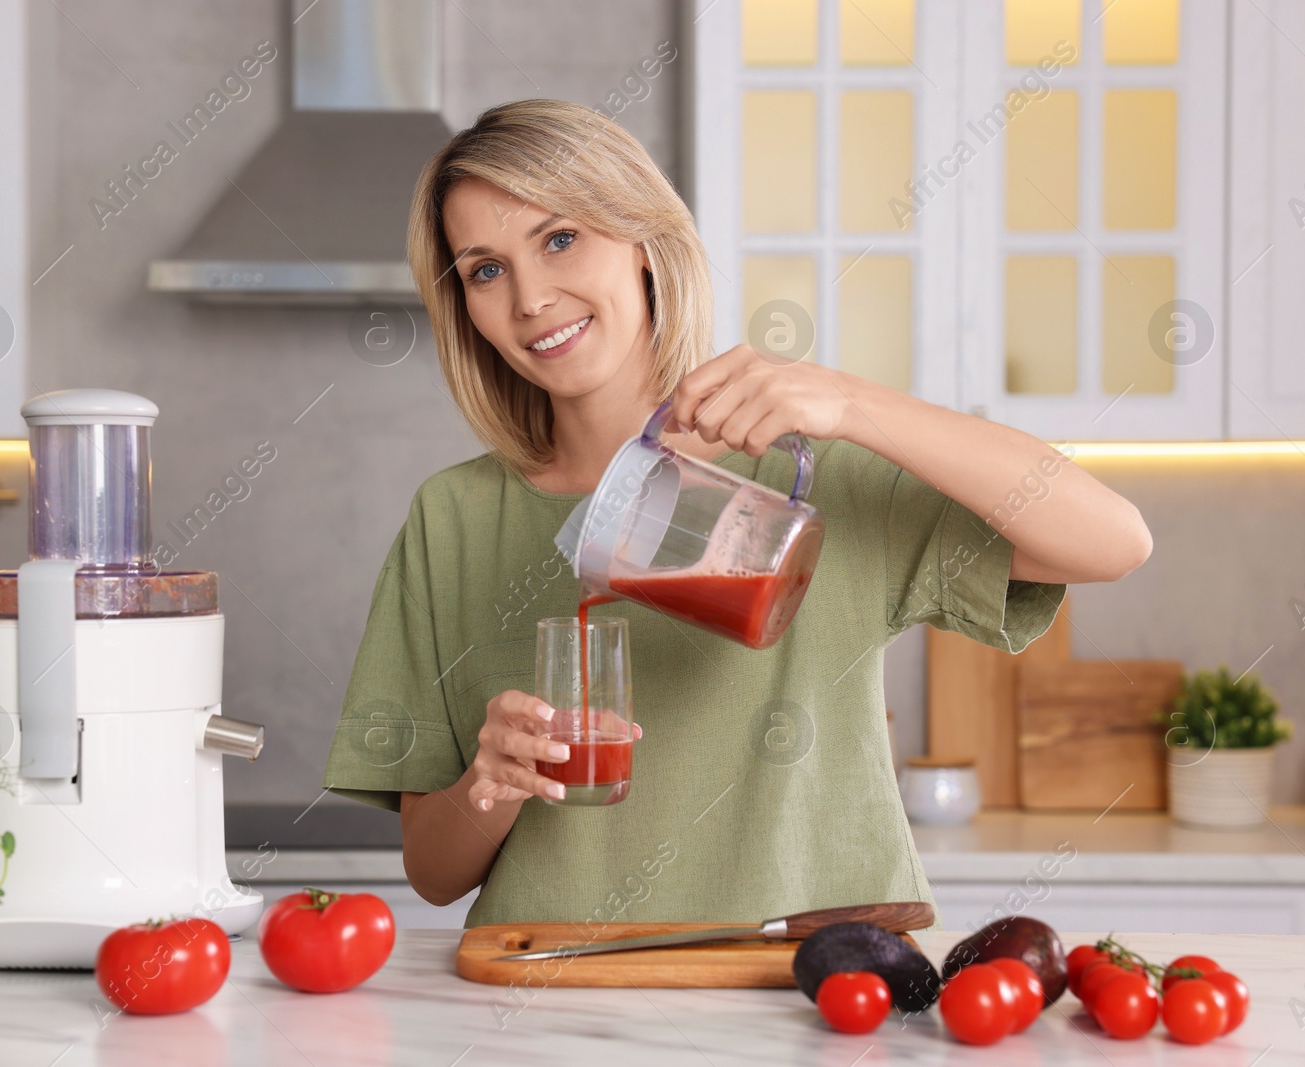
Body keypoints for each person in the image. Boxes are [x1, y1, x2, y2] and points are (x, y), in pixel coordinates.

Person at [320, 99, 1151, 929]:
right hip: (554, 994)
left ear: (642, 243)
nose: (532, 297)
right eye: (485, 270)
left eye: (560, 238)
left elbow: (1115, 541)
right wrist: (489, 781)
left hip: (808, 993)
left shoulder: (817, 476)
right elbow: (433, 871)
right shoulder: (453, 517)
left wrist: (852, 401)